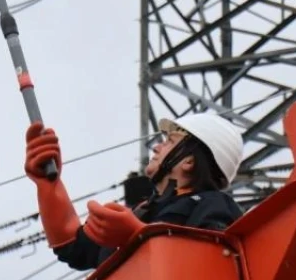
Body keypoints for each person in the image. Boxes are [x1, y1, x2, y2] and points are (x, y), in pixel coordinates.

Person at [23, 113, 246, 271]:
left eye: (169, 141)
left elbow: (215, 267)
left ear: (189, 160)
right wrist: (48, 186)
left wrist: (139, 237)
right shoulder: (144, 211)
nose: (157, 147)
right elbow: (74, 248)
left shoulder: (214, 205)